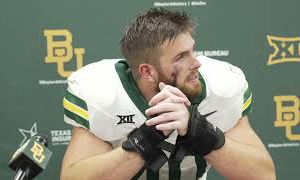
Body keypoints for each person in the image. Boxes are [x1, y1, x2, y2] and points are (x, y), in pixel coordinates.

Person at [60, 8, 275, 180]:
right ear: (147, 71)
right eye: (181, 56)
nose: (197, 63)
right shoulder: (102, 93)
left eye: (193, 50)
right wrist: (146, 139)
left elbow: (263, 175)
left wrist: (200, 132)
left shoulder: (222, 87)